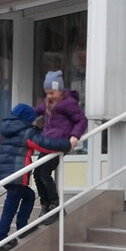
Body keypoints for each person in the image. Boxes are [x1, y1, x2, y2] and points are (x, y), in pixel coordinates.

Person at [0, 104, 72, 251]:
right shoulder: (27, 133)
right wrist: (66, 144)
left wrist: (3, 123)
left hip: (4, 175)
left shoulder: (4, 130)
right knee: (10, 208)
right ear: (26, 119)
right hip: (17, 175)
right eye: (32, 120)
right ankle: (0, 240)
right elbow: (45, 145)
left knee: (29, 195)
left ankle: (22, 227)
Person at [33, 70, 87, 217]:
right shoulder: (47, 103)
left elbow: (81, 120)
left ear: (60, 90)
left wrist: (74, 136)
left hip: (59, 143)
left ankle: (54, 204)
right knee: (37, 173)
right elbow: (35, 111)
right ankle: (45, 204)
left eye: (52, 93)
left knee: (44, 173)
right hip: (47, 143)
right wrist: (21, 117)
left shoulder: (68, 103)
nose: (49, 96)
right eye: (47, 93)